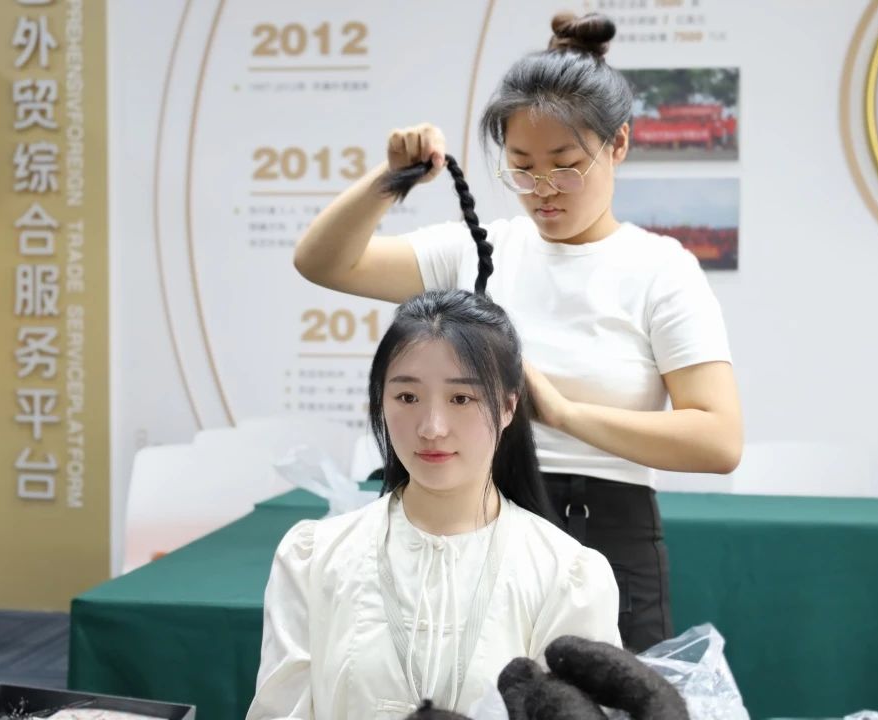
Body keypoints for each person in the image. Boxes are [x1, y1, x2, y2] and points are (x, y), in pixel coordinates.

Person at [291, 11, 742, 652]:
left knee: (606, 696)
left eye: (566, 165)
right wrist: (390, 181)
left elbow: (718, 440)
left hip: (602, 531)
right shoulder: (478, 250)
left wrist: (561, 413)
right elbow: (322, 262)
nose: (543, 189)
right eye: (522, 167)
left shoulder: (661, 269)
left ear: (618, 144)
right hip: (467, 521)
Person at [246, 159, 621, 720]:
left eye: (462, 399)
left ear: (508, 406)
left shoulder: (566, 574)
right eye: (406, 397)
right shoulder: (314, 559)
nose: (432, 427)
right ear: (379, 401)